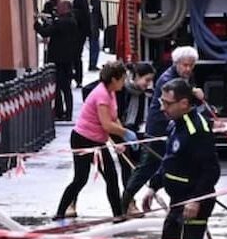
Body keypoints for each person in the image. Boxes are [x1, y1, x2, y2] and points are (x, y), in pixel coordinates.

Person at [141, 78, 227, 239]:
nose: (162, 107)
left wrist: (196, 200)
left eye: (167, 103)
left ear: (184, 104)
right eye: (162, 101)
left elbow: (211, 170)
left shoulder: (197, 129)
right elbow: (169, 162)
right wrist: (153, 186)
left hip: (195, 202)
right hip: (177, 201)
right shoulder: (174, 125)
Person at [121, 46, 203, 213]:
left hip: (174, 126)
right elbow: (182, 100)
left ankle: (161, 195)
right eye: (184, 65)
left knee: (171, 163)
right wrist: (194, 95)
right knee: (148, 166)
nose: (188, 69)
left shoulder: (186, 77)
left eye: (191, 65)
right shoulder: (168, 79)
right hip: (159, 128)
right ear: (176, 63)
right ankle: (126, 201)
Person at [53, 61, 138, 220]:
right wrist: (126, 132)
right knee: (80, 179)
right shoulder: (102, 95)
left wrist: (120, 140)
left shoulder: (111, 92)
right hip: (83, 140)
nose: (124, 82)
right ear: (114, 79)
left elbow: (114, 118)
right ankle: (60, 212)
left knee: (111, 177)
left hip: (97, 140)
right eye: (122, 79)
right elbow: (106, 124)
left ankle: (118, 215)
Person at [34, 0, 79, 121]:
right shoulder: (72, 21)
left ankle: (59, 112)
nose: (57, 9)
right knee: (67, 88)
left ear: (65, 9)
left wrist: (36, 24)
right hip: (68, 60)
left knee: (58, 87)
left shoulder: (61, 23)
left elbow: (45, 32)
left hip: (58, 60)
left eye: (59, 7)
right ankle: (68, 113)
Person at [115, 62, 155, 194]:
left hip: (138, 131)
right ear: (137, 76)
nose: (148, 84)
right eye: (147, 80)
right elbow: (116, 115)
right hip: (121, 130)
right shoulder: (122, 91)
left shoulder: (147, 94)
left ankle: (129, 197)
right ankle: (128, 199)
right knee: (126, 167)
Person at [76, 0, 104, 71]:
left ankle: (93, 64)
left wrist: (101, 24)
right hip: (83, 26)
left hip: (94, 25)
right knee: (79, 46)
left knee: (95, 45)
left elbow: (99, 12)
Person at [70, 0, 91, 87]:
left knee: (77, 55)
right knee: (75, 55)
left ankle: (78, 78)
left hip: (79, 32)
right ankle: (76, 76)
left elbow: (85, 16)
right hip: (78, 32)